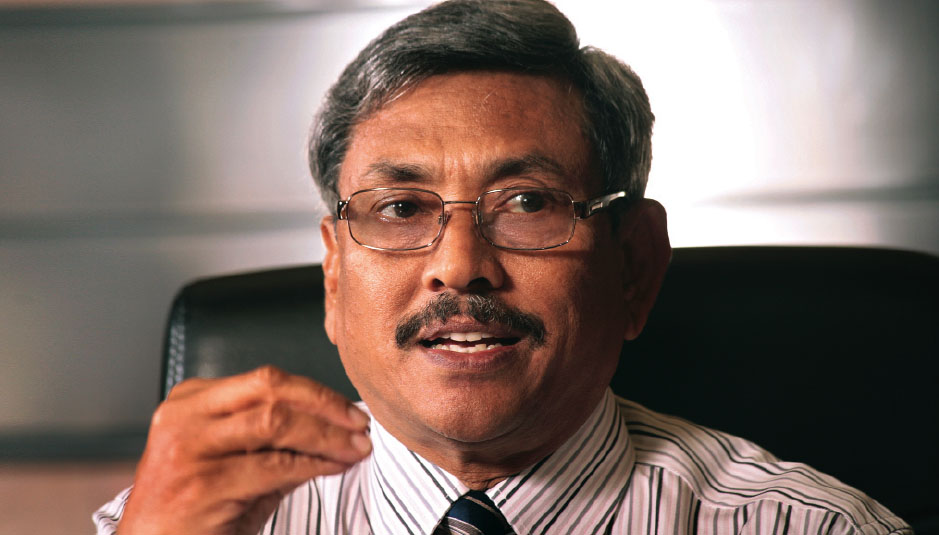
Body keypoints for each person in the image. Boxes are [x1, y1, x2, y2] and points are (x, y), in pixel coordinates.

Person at [95, 1, 911, 533]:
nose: (459, 267)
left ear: (634, 266)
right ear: (334, 277)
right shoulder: (184, 521)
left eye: (526, 202)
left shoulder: (813, 527)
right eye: (400, 208)